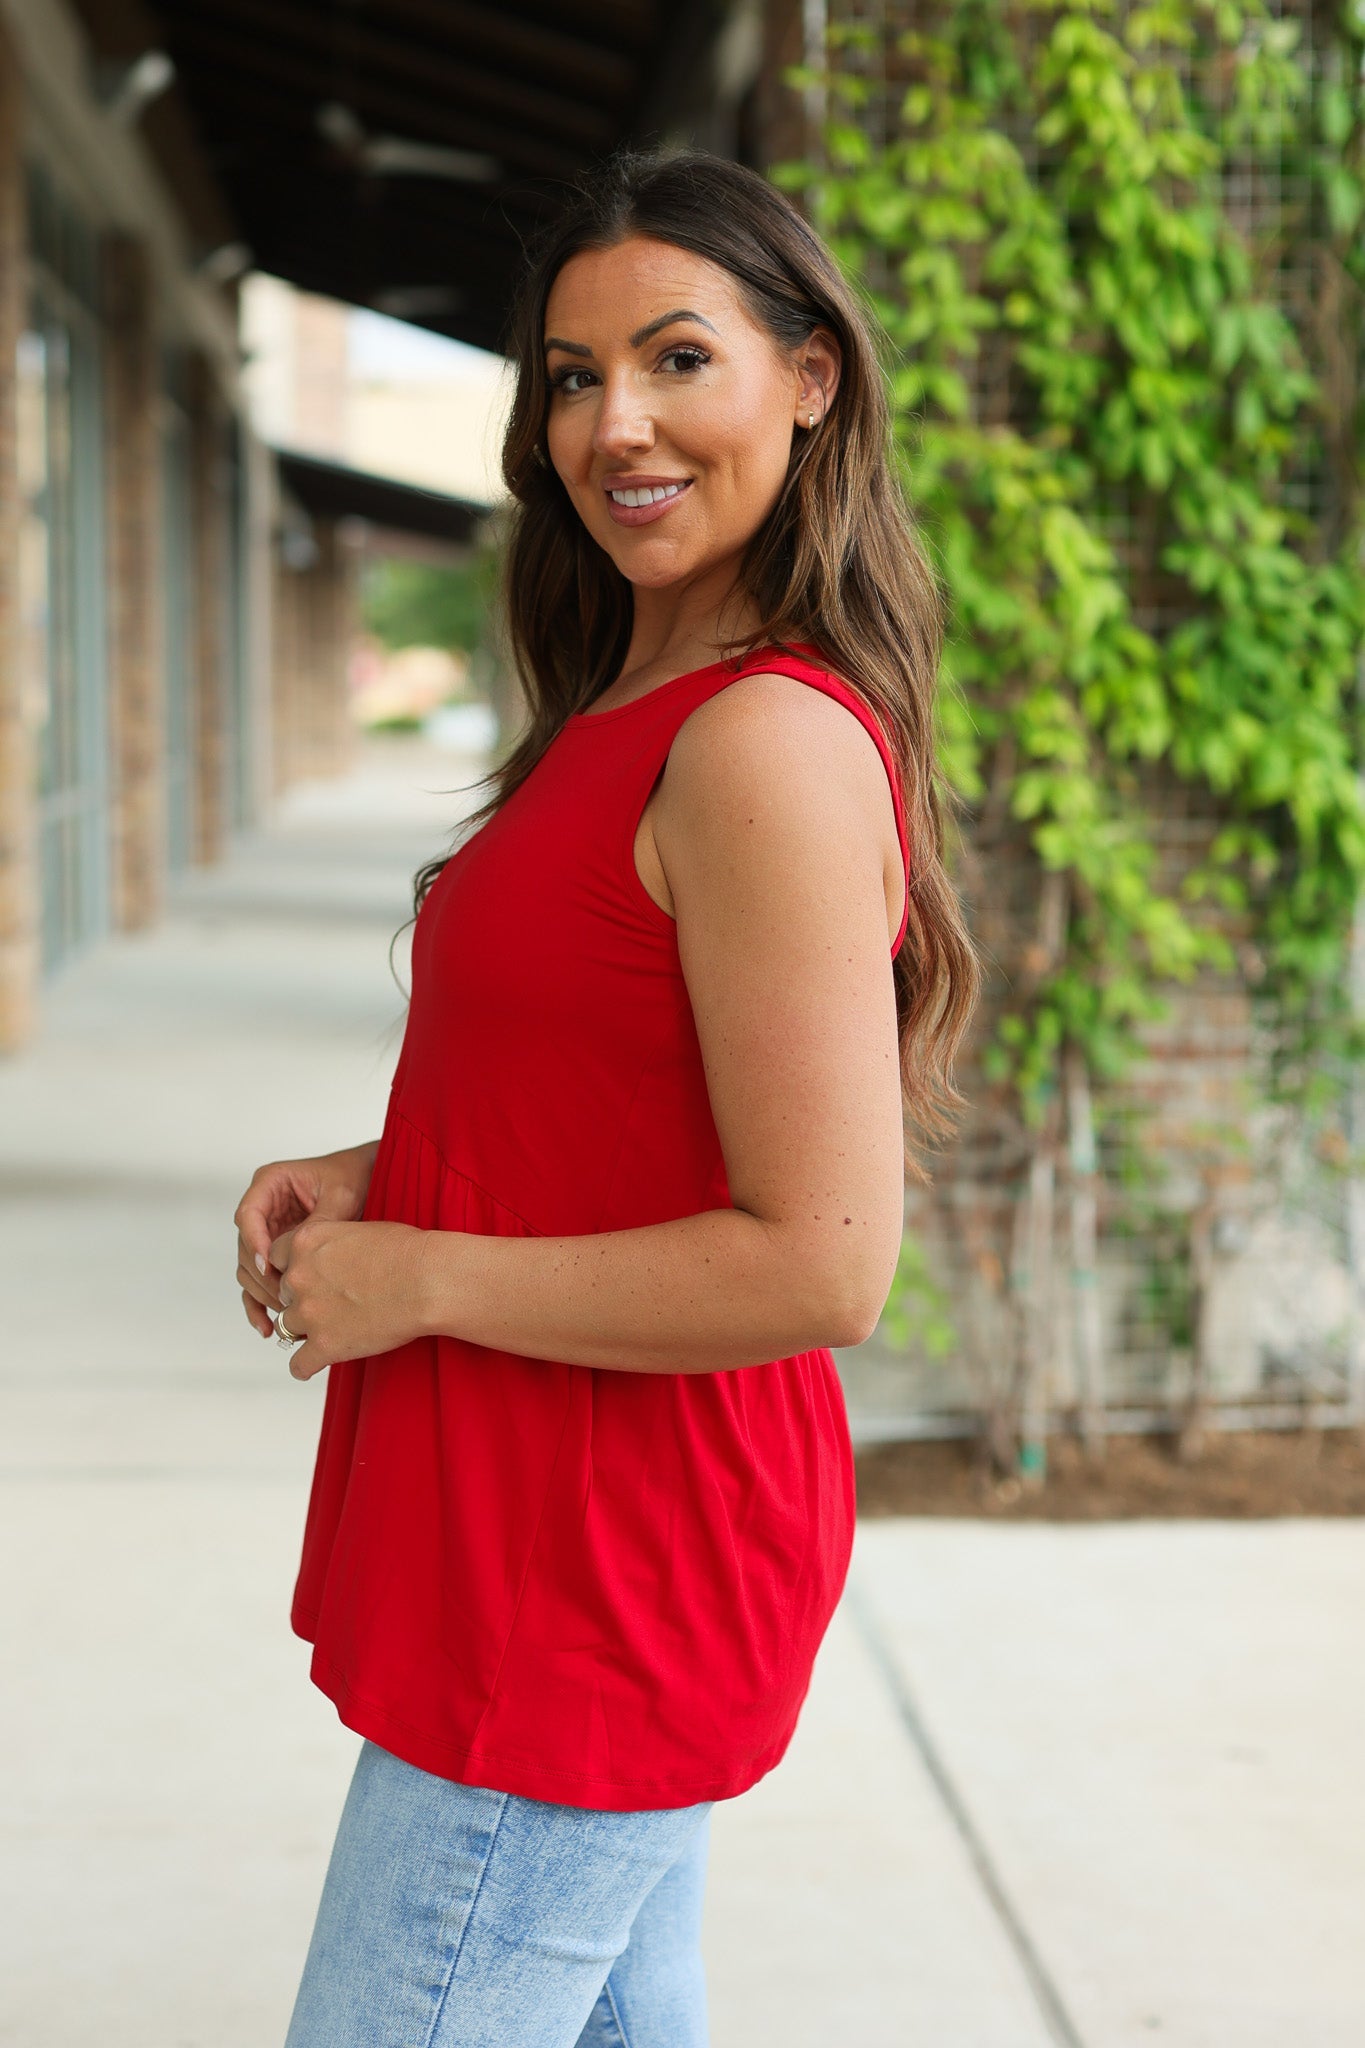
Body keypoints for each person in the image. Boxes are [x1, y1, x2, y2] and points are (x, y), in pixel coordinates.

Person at [233, 148, 978, 2048]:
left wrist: (424, 1278)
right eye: (570, 376)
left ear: (809, 377)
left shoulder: (759, 748)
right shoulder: (634, 709)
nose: (613, 424)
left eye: (673, 358)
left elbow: (820, 1265)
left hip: (601, 1577)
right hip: (554, 1541)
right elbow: (611, 1097)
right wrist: (380, 1171)